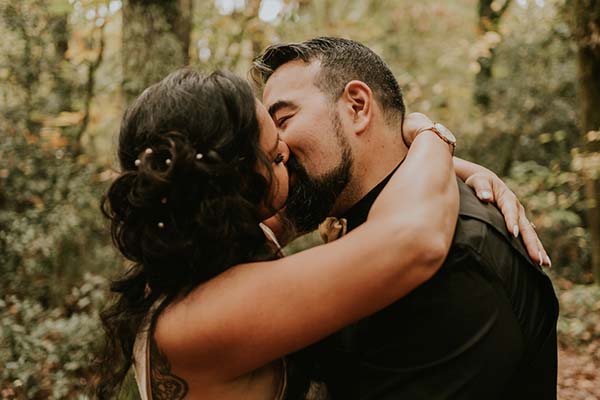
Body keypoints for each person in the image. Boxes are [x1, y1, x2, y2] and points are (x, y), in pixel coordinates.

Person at [96, 68, 528, 400]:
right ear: (233, 177)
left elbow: (329, 189)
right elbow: (415, 239)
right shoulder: (197, 320)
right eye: (275, 155)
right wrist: (431, 137)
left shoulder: (210, 247)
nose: (286, 150)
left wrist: (458, 169)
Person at [251, 37, 559, 399]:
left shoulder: (457, 257)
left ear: (357, 106)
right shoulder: (359, 226)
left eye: (283, 120)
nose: (277, 149)